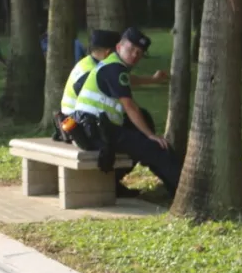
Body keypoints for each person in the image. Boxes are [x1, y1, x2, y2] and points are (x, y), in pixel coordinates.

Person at [71, 27, 182, 196]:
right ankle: (183, 192)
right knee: (157, 148)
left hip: (91, 128)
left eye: (139, 53)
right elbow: (129, 106)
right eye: (131, 49)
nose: (134, 55)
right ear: (118, 47)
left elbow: (128, 81)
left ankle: (118, 184)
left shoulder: (111, 65)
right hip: (97, 131)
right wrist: (150, 135)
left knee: (143, 141)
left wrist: (152, 79)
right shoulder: (115, 68)